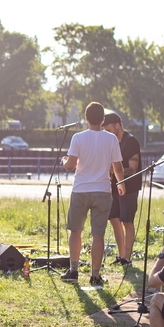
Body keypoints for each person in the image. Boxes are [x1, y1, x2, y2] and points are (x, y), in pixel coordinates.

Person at [60, 102, 125, 285]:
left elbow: (71, 165)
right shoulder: (111, 139)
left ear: (86, 119)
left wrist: (65, 161)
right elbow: (117, 166)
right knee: (98, 234)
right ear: (103, 120)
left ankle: (73, 270)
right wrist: (120, 183)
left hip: (81, 190)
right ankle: (95, 275)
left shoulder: (78, 138)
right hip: (102, 191)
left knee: (76, 231)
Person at [103, 112, 141, 266]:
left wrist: (115, 171)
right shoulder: (110, 141)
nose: (106, 131)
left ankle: (127, 257)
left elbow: (132, 168)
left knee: (127, 220)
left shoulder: (131, 141)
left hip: (129, 186)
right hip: (112, 186)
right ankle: (121, 255)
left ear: (117, 125)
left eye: (108, 128)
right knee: (114, 218)